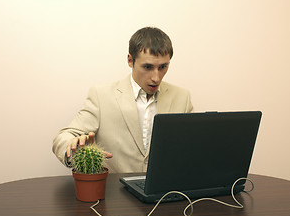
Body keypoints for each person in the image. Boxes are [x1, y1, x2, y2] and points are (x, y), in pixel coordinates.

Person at [53, 27, 193, 173]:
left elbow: (192, 147)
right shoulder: (101, 96)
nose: (156, 77)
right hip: (116, 192)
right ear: (130, 60)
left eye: (163, 67)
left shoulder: (182, 97)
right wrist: (72, 146)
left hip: (166, 191)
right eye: (147, 67)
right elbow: (62, 138)